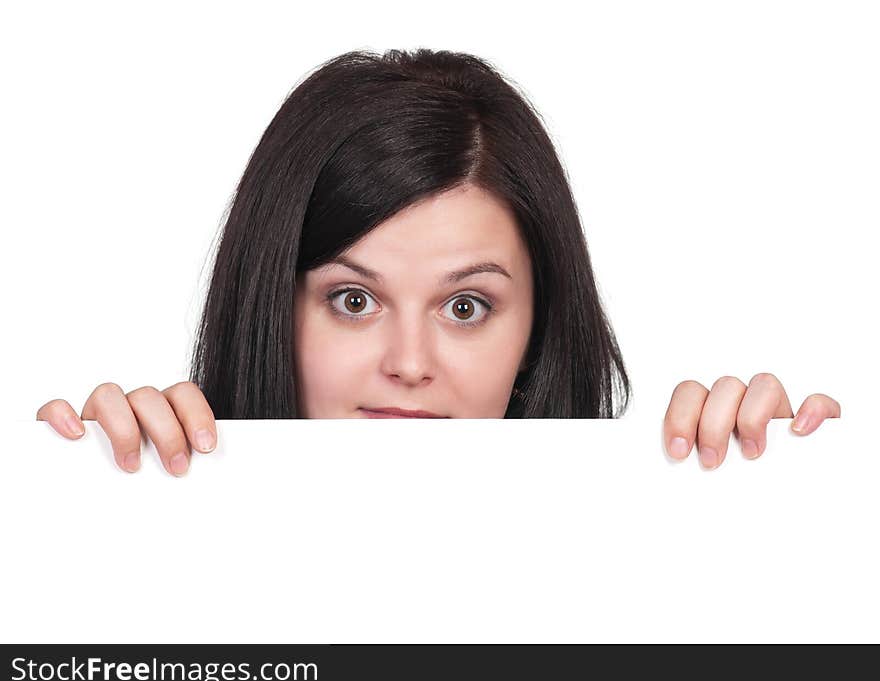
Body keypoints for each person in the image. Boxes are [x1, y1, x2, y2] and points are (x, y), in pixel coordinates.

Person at [35, 48, 840, 476]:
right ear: (269, 306)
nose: (409, 365)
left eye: (466, 307)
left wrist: (766, 507)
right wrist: (79, 509)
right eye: (353, 300)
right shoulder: (131, 517)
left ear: (540, 328)